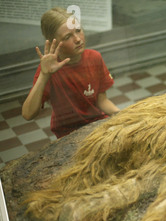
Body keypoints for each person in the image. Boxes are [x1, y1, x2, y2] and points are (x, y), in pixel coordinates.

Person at [22, 7, 120, 138]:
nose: (78, 39)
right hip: (68, 133)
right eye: (68, 36)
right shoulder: (49, 69)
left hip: (98, 125)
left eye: (78, 31)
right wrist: (44, 75)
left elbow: (101, 101)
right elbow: (28, 114)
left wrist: (123, 115)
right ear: (54, 43)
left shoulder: (94, 57)